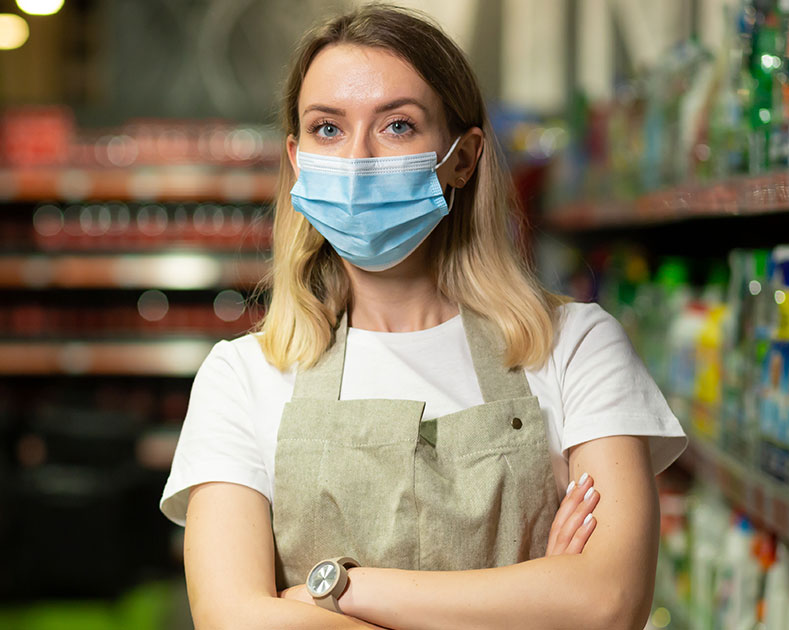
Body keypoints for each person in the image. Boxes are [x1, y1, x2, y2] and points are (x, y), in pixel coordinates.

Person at [159, 5, 688, 629]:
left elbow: (607, 602)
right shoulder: (242, 376)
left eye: (398, 126)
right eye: (328, 129)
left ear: (462, 158)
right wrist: (528, 604)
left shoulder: (576, 348)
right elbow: (235, 621)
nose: (357, 158)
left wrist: (333, 591)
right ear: (298, 158)